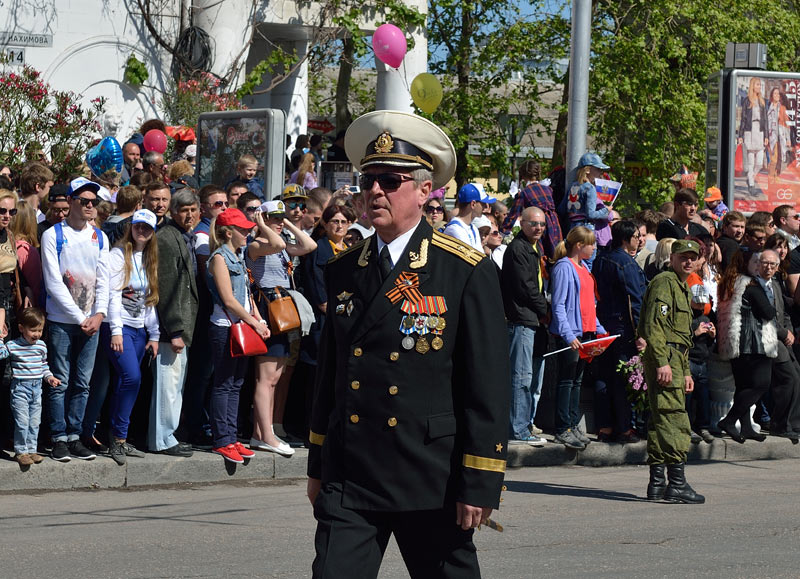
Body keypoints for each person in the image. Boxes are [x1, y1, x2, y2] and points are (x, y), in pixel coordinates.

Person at [307, 110, 509, 578]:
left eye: (390, 181)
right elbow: (331, 378)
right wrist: (319, 460)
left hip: (429, 474)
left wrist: (480, 480)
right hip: (351, 472)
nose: (375, 191)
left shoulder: (463, 270)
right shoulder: (343, 269)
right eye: (368, 180)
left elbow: (486, 385)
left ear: (423, 191)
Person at [41, 177, 110, 462]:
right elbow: (53, 283)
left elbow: (104, 280)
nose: (90, 207)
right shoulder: (53, 235)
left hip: (91, 323)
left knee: (83, 383)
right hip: (62, 321)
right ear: (70, 202)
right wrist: (81, 316)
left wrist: (99, 314)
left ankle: (74, 435)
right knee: (61, 381)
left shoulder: (100, 237)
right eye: (84, 202)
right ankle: (57, 437)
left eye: (94, 203)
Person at [638, 239, 704, 504]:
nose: (688, 261)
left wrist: (685, 371)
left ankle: (657, 483)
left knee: (658, 422)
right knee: (674, 417)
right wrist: (662, 361)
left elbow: (682, 336)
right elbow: (655, 325)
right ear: (672, 258)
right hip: (665, 357)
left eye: (693, 257)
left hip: (675, 357)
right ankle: (677, 483)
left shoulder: (681, 285)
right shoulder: (665, 281)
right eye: (682, 257)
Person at [247, 200, 315, 456]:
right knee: (266, 378)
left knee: (274, 378)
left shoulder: (280, 244)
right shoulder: (256, 245)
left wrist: (286, 222)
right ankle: (267, 436)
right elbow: (277, 243)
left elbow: (309, 245)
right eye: (274, 217)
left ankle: (261, 433)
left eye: (280, 217)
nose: (279, 221)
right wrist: (262, 224)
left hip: (283, 310)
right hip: (267, 309)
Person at [206, 208, 269, 463]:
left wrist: (258, 319)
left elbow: (247, 294)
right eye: (242, 229)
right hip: (224, 327)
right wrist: (254, 322)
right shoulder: (219, 258)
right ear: (228, 232)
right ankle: (222, 440)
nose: (247, 232)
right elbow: (229, 300)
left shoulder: (238, 255)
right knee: (224, 384)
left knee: (236, 384)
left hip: (241, 325)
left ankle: (231, 437)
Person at [104, 209, 160, 465]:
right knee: (132, 378)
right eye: (138, 226)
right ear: (131, 227)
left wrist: (155, 333)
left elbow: (149, 301)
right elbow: (113, 295)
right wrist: (116, 330)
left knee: (124, 384)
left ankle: (118, 438)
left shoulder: (149, 258)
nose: (142, 231)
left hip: (139, 330)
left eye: (147, 228)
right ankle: (118, 439)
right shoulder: (118, 255)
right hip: (121, 327)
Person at [150, 189, 199, 457]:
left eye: (193, 210)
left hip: (183, 326)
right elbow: (166, 288)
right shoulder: (168, 239)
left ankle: (168, 435)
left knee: (175, 385)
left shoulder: (183, 237)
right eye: (183, 210)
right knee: (168, 386)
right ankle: (164, 438)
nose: (189, 215)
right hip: (173, 328)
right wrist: (176, 329)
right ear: (173, 212)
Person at [549, 226, 605, 450]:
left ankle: (572, 424)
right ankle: (563, 427)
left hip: (586, 332)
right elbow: (558, 304)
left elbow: (589, 304)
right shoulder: (564, 267)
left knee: (577, 381)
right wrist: (567, 333)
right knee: (566, 380)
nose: (594, 248)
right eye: (591, 244)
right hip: (571, 334)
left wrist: (600, 329)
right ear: (579, 245)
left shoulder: (583, 268)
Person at [716, 250, 780, 443]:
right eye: (756, 262)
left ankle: (746, 426)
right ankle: (729, 420)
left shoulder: (729, 282)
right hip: (753, 342)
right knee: (761, 384)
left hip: (734, 341)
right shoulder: (750, 285)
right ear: (747, 264)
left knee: (743, 385)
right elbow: (768, 313)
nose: (759, 266)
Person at [593, 220, 647, 443]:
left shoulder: (600, 259)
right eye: (636, 236)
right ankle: (624, 428)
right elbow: (634, 301)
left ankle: (605, 427)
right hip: (623, 328)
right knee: (623, 379)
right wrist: (640, 333)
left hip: (602, 325)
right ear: (626, 239)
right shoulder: (626, 263)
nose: (639, 240)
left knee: (603, 377)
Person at [501, 207, 549, 446]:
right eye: (534, 224)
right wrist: (545, 309)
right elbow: (526, 287)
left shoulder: (533, 247)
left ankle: (522, 425)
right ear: (522, 223)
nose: (538, 228)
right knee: (520, 377)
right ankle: (518, 429)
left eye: (542, 224)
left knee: (528, 377)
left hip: (529, 319)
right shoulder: (518, 249)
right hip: (521, 319)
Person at [0, 307, 60, 466]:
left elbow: (43, 366)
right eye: (33, 330)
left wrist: (50, 377)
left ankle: (32, 449)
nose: (37, 334)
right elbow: (1, 354)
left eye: (40, 330)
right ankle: (21, 452)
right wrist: (0, 339)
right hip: (20, 388)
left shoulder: (41, 346)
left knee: (35, 421)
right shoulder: (13, 345)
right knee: (22, 421)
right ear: (21, 328)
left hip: (37, 388)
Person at [559, 153, 609, 254]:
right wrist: (606, 210)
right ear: (587, 170)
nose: (601, 173)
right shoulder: (589, 188)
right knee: (589, 258)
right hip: (586, 228)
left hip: (572, 229)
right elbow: (591, 214)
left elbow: (561, 209)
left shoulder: (573, 186)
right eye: (598, 169)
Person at [738, 76, 768, 195]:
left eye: (760, 85)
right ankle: (751, 184)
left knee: (760, 162)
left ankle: (751, 177)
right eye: (757, 85)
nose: (759, 87)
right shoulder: (746, 100)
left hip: (759, 132)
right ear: (752, 86)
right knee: (751, 162)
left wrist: (766, 136)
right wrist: (740, 135)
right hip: (749, 131)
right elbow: (743, 119)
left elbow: (765, 119)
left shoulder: (762, 101)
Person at [443, 183, 485, 252]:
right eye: (483, 203)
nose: (485, 207)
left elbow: (481, 256)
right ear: (473, 204)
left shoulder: (473, 228)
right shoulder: (454, 229)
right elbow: (470, 258)